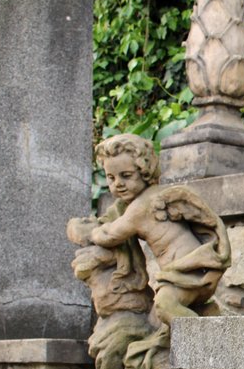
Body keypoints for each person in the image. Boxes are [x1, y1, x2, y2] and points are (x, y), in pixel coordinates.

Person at [85, 133, 230, 327]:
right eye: (111, 178)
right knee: (155, 320)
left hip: (185, 271)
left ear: (145, 172)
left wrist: (92, 231)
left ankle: (205, 339)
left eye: (126, 176)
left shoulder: (140, 207)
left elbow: (110, 236)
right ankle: (206, 320)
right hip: (193, 269)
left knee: (165, 307)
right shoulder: (155, 197)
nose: (118, 183)